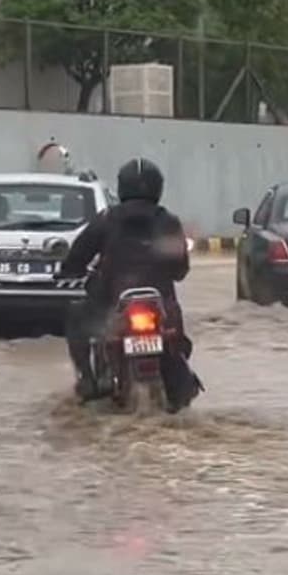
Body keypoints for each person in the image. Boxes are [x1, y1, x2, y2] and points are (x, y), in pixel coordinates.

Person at [55, 158, 203, 411]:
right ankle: (179, 383)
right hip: (161, 305)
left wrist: (68, 271)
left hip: (112, 303)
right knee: (176, 341)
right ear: (158, 187)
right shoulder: (168, 222)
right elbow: (180, 270)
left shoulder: (106, 219)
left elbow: (78, 256)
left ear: (122, 186)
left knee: (77, 316)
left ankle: (88, 379)